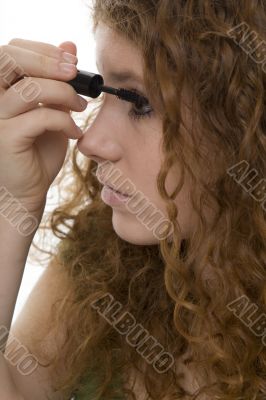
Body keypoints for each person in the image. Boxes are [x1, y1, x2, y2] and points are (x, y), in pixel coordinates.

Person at [0, 1, 265, 399]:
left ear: (246, 123)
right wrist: (15, 206)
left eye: (140, 103)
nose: (90, 143)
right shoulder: (104, 257)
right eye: (106, 92)